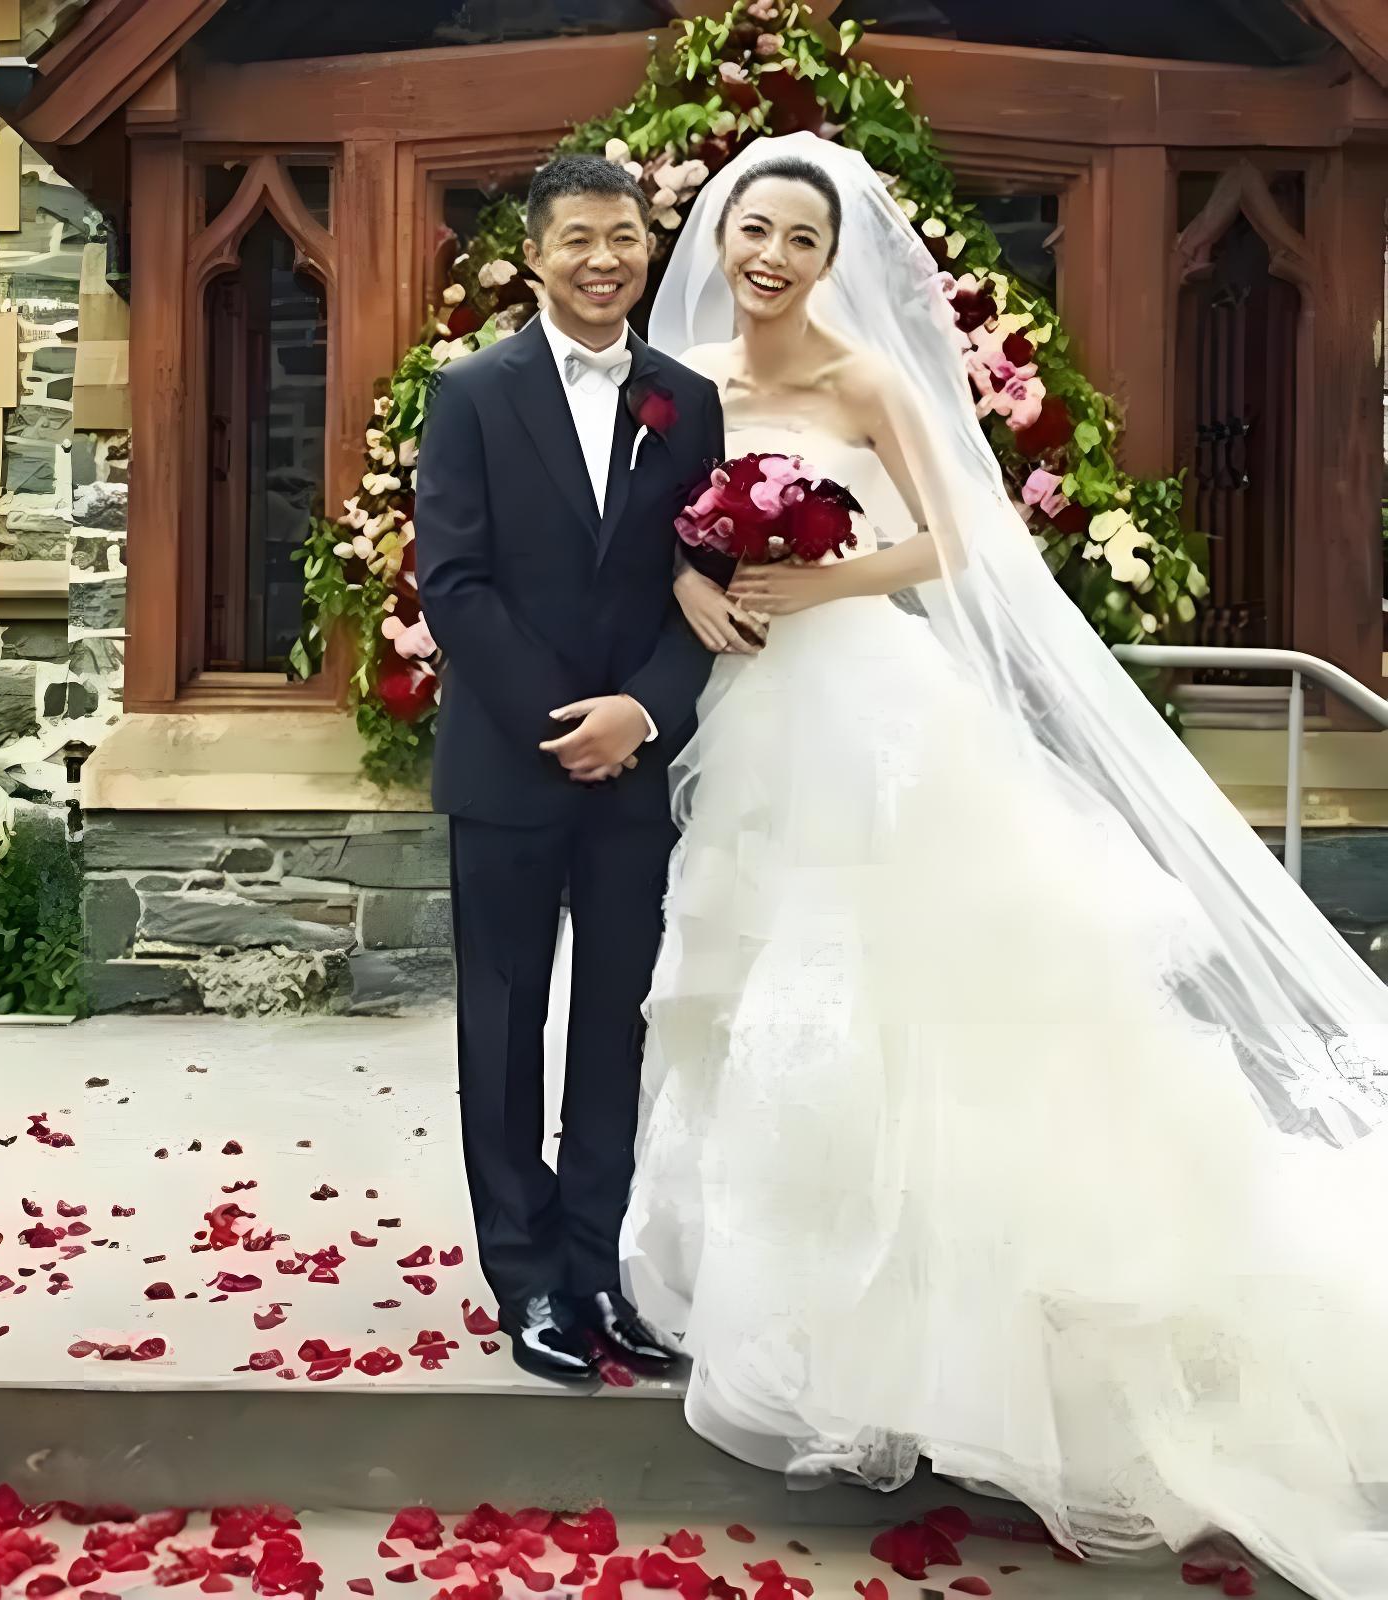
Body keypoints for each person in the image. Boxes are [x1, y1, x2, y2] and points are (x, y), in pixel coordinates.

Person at [595, 132, 1388, 1598]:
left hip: (870, 704)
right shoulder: (680, 377)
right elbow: (638, 531)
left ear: (832, 262)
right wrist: (697, 579)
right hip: (747, 715)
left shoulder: (867, 382)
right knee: (758, 997)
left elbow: (958, 541)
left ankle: (970, 1337)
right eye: (756, 231)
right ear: (722, 237)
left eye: (803, 240)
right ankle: (809, 1316)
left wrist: (819, 577)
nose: (774, 257)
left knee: (915, 1003)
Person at [415, 153, 726, 1384]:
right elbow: (454, 583)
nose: (605, 259)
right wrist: (568, 722)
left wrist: (641, 713)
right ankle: (528, 1277)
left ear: (650, 248)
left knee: (616, 1024)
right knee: (505, 1026)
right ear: (535, 256)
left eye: (625, 237)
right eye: (579, 239)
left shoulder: (687, 402)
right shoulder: (472, 396)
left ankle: (599, 1268)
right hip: (509, 764)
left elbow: (700, 582)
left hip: (637, 770)